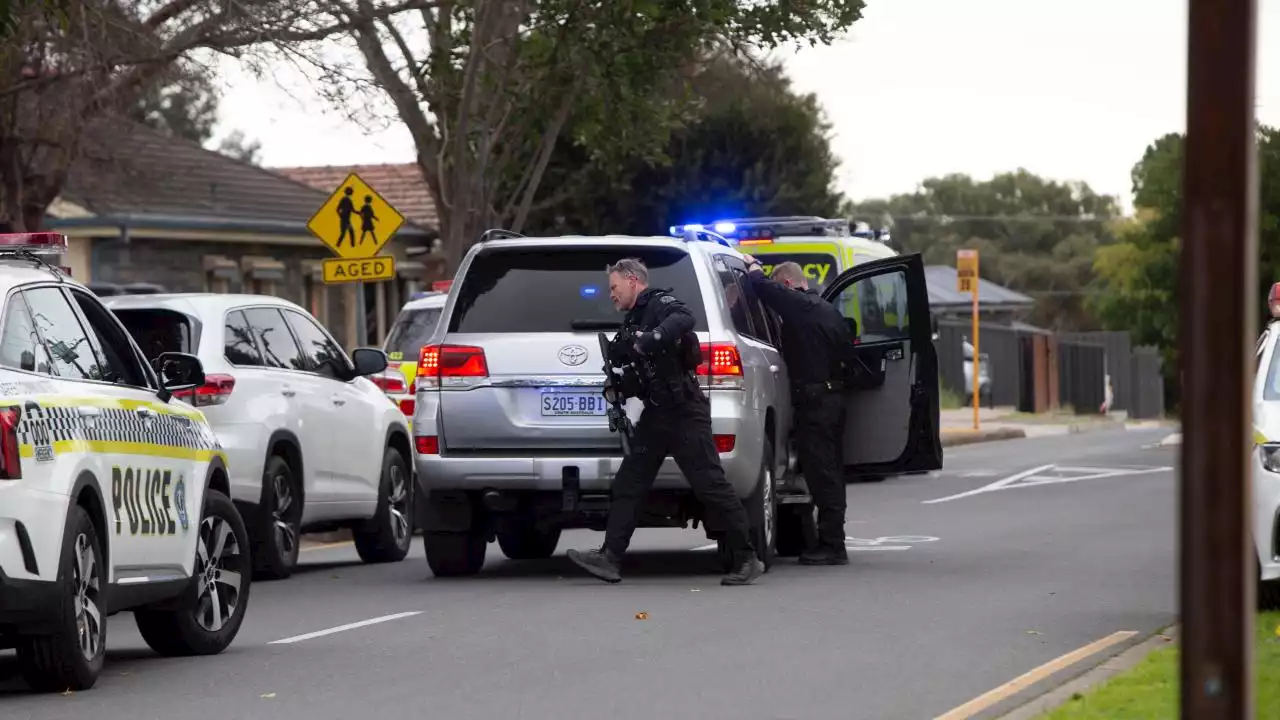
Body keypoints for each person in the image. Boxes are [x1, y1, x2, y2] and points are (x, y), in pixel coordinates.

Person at [567, 258, 763, 586]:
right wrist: (618, 388)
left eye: (614, 287)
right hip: (656, 414)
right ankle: (610, 558)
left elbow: (685, 319)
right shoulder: (631, 323)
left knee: (711, 487)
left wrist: (654, 337)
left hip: (685, 411)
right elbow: (642, 375)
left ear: (632, 280)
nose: (611, 294)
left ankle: (746, 558)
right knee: (629, 483)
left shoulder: (658, 303)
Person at [741, 256, 855, 565]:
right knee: (827, 472)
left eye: (783, 290)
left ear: (789, 285)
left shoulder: (802, 306)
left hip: (817, 404)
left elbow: (766, 289)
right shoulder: (828, 310)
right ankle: (828, 539)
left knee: (823, 474)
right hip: (831, 399)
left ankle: (833, 545)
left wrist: (752, 269)